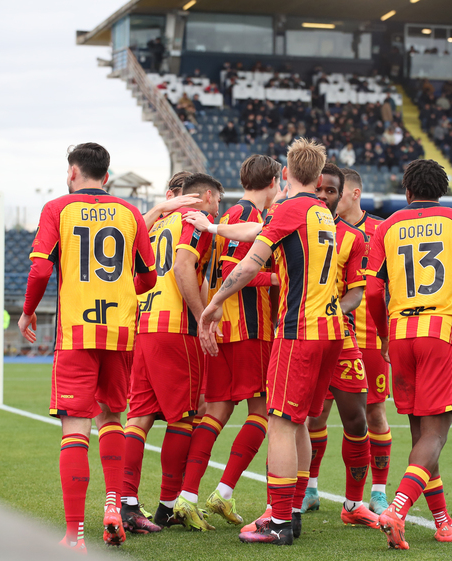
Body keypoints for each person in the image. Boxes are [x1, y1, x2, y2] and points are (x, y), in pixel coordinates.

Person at [197, 138, 343, 546]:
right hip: (331, 330)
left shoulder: (289, 209)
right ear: (318, 177)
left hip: (300, 330)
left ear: (285, 175)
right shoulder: (320, 211)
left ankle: (278, 521)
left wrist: (215, 303)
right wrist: (214, 228)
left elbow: (249, 263)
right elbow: (258, 230)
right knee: (299, 425)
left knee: (279, 422)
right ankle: (292, 512)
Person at [18, 143, 157, 550]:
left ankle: (74, 535)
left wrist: (27, 313)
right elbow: (149, 277)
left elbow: (41, 266)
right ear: (107, 177)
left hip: (77, 331)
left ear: (72, 172)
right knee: (113, 416)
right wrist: (119, 292)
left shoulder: (57, 208)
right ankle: (113, 505)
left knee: (75, 428)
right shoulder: (130, 212)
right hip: (119, 331)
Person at [366, 159, 452, 549]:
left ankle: (442, 521)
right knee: (436, 435)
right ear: (443, 191)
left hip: (400, 334)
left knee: (420, 434)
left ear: (407, 191)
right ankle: (397, 511)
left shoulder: (386, 227)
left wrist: (384, 335)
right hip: (440, 331)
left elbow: (371, 292)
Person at [172, 155, 281, 531]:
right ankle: (223, 490)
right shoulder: (249, 215)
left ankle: (186, 498)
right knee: (263, 412)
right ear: (274, 181)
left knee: (216, 412)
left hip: (222, 327)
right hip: (250, 327)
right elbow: (238, 271)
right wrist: (277, 280)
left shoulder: (225, 215)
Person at [121, 173, 222, 534]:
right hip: (175, 327)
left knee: (139, 417)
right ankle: (167, 506)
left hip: (144, 325)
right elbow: (182, 267)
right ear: (206, 195)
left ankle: (127, 503)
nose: (217, 210)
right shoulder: (194, 221)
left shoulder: (156, 222)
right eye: (218, 202)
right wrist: (202, 318)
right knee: (184, 418)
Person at [300, 164, 379, 529]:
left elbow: (356, 292)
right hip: (299, 336)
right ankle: (300, 492)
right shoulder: (294, 226)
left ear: (340, 194)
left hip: (342, 339)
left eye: (330, 191)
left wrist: (332, 310)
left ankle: (354, 503)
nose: (323, 197)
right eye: (319, 190)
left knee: (357, 419)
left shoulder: (353, 237)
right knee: (300, 419)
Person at [332, 168, 393, 515]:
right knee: (316, 417)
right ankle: (309, 489)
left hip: (371, 335)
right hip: (333, 334)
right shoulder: (324, 229)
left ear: (354, 193)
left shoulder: (382, 230)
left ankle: (379, 491)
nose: (329, 198)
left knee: (375, 413)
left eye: (337, 192)